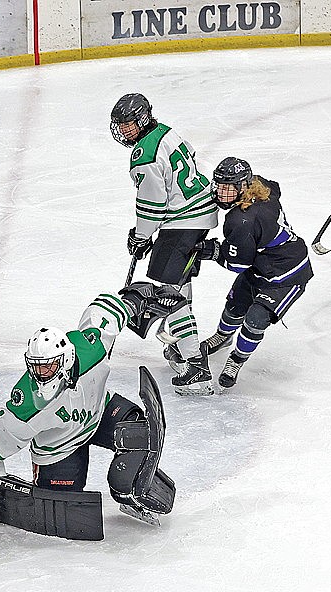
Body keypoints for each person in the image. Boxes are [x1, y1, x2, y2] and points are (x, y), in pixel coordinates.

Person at [0, 283, 183, 529]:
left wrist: (136, 299)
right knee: (63, 502)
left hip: (100, 413)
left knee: (139, 433)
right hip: (59, 447)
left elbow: (103, 315)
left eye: (47, 366)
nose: (41, 374)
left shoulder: (91, 350)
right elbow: (4, 432)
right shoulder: (29, 399)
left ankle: (127, 496)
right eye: (36, 366)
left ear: (66, 359)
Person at [110, 93, 219, 395]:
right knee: (177, 288)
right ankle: (181, 338)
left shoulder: (143, 155)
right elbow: (190, 159)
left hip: (184, 222)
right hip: (199, 213)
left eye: (128, 125)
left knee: (164, 294)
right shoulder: (165, 132)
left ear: (142, 120)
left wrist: (141, 236)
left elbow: (153, 206)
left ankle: (196, 366)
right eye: (120, 125)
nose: (123, 131)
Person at [196, 157, 313, 391]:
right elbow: (275, 187)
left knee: (255, 319)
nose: (221, 193)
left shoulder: (242, 220)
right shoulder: (260, 185)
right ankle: (223, 336)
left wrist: (214, 251)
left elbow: (238, 264)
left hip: (287, 274)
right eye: (219, 185)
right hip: (261, 264)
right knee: (235, 305)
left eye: (228, 188)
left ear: (242, 186)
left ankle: (236, 360)